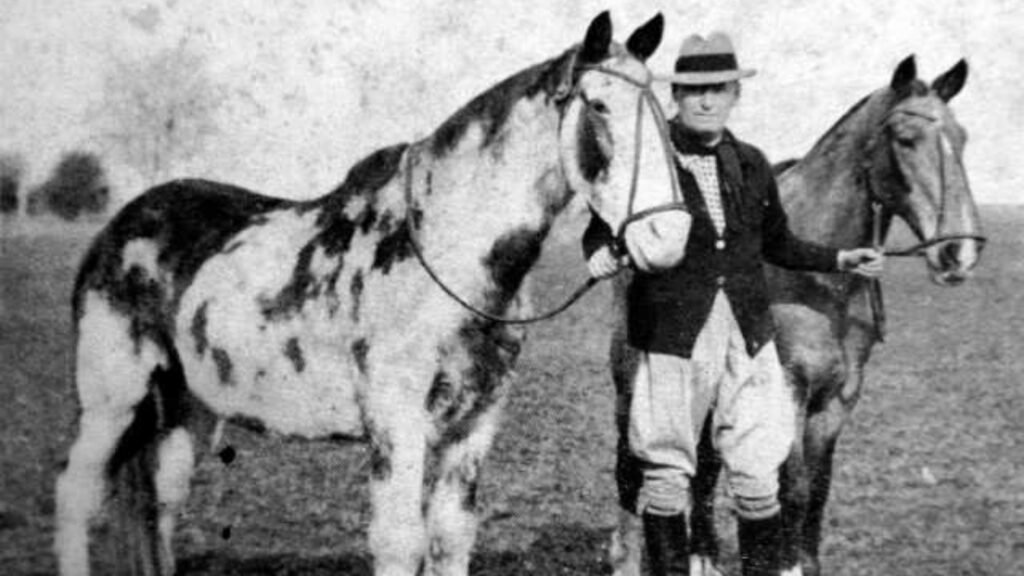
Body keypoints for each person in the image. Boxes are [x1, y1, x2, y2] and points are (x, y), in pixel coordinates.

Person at [583, 32, 884, 576]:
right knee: (668, 468)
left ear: (733, 96)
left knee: (757, 466)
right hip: (672, 334)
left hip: (747, 333)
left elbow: (778, 243)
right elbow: (600, 226)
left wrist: (842, 259)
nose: (705, 100)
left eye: (717, 89)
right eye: (694, 90)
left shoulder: (751, 162)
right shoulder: (648, 157)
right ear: (676, 96)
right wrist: (601, 253)